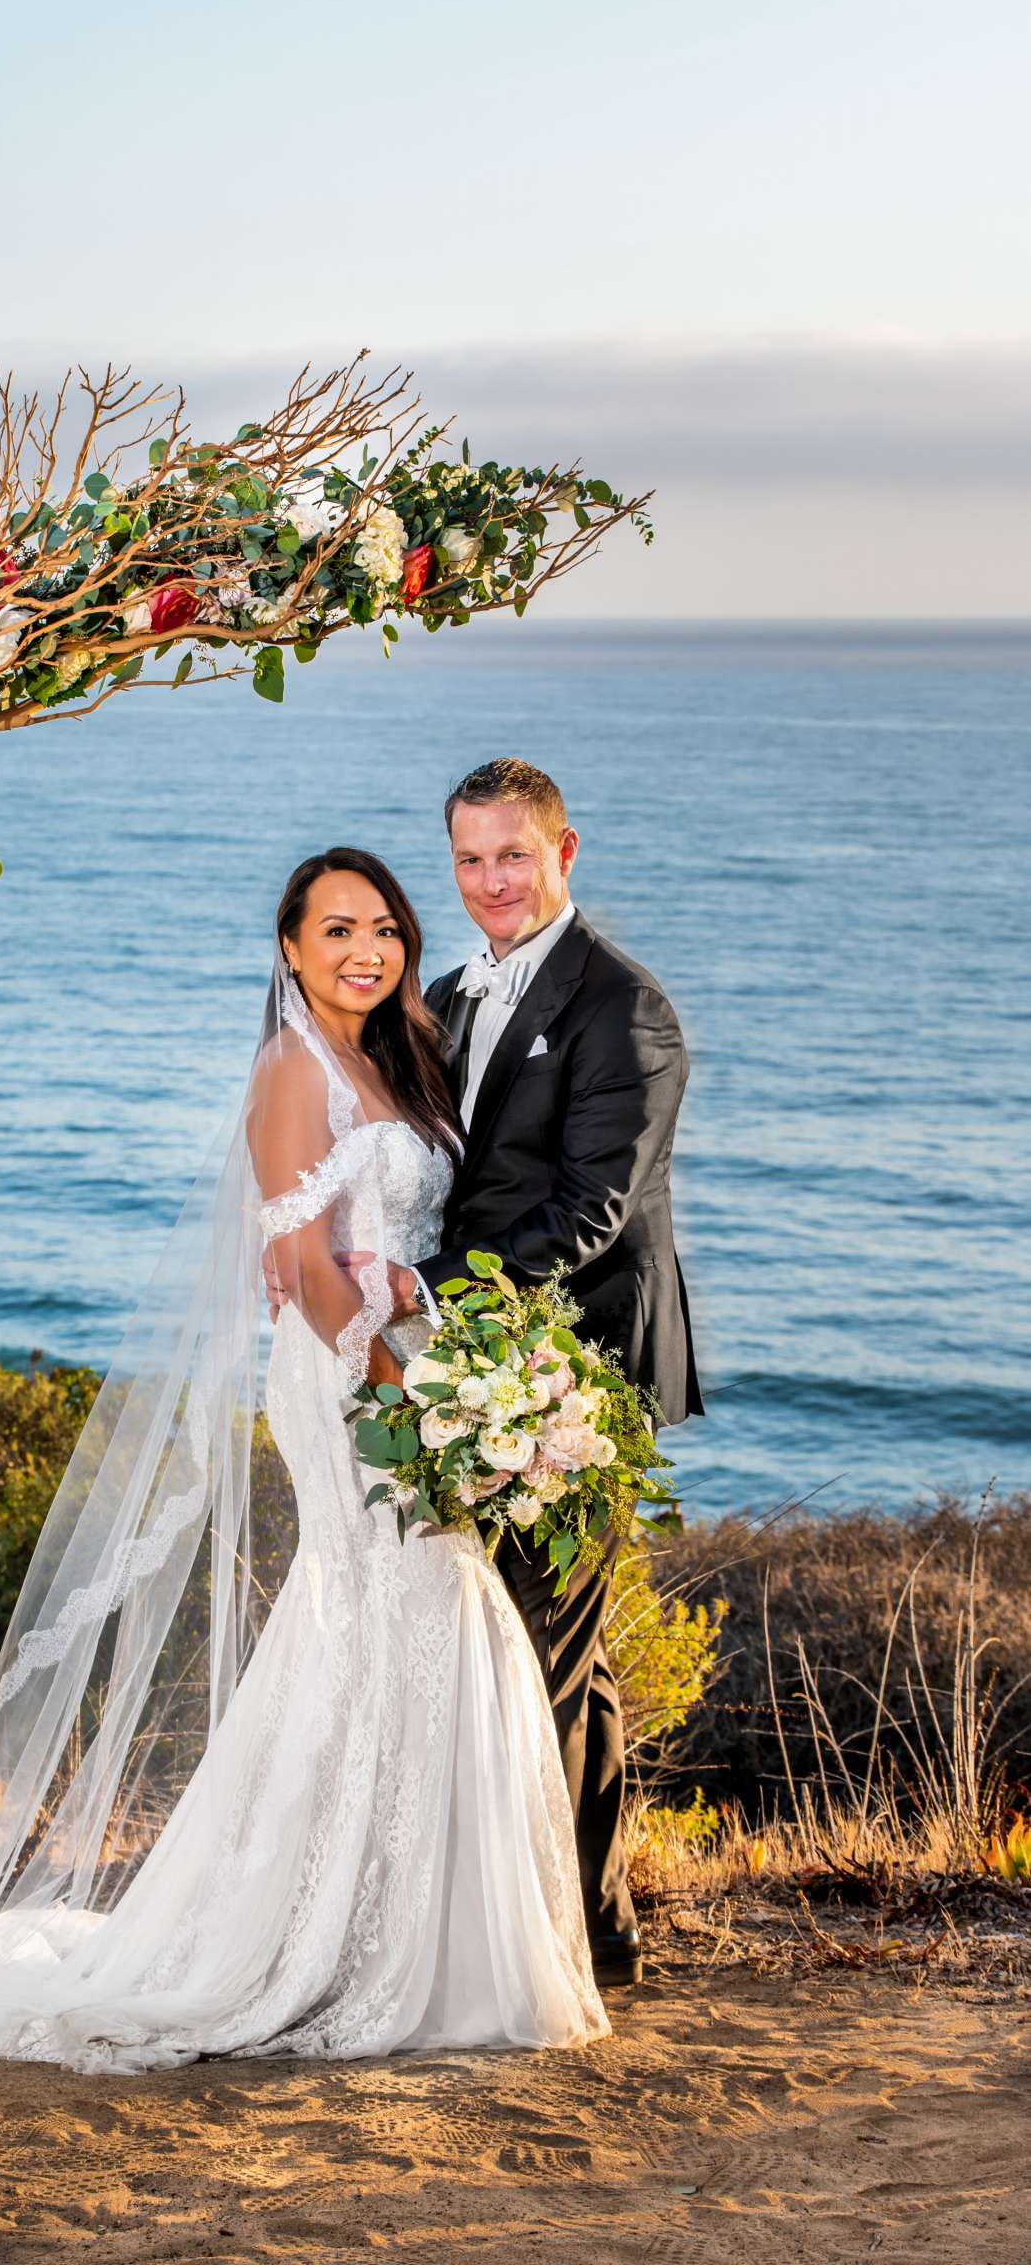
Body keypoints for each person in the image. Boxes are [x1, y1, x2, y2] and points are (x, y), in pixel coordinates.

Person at [0, 849, 607, 2070]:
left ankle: (396, 1939)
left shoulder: (397, 1055)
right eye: (335, 931)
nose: (365, 952)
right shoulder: (292, 1069)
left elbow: (414, 1234)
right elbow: (305, 1266)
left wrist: (458, 1370)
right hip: (352, 1386)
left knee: (401, 1628)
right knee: (415, 1611)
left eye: (383, 928)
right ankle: (339, 1945)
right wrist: (419, 1395)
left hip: (411, 1372)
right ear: (289, 948)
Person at [388, 757, 702, 1986]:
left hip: (573, 1377)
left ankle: (571, 1937)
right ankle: (592, 1923)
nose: (490, 882)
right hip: (475, 1365)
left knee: (545, 1648)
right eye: (468, 860)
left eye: (512, 855)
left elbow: (591, 1209)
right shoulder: (454, 994)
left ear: (567, 853)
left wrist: (429, 1295)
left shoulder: (626, 1009)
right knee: (548, 1649)